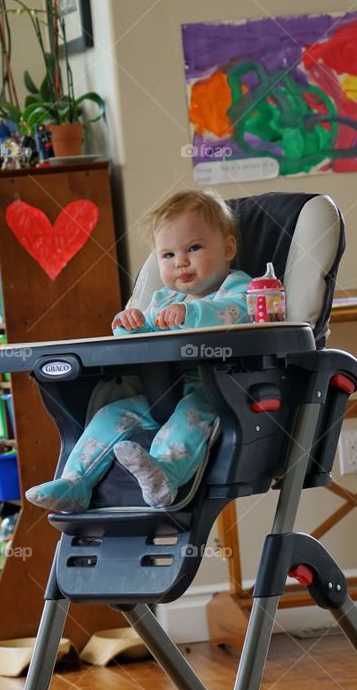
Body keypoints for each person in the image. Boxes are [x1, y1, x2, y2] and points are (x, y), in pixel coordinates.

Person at [26, 189, 252, 511]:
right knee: (109, 414)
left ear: (228, 247)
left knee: (190, 418)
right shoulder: (164, 300)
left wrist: (194, 315)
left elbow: (240, 312)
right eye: (168, 255)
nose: (182, 262)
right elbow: (142, 335)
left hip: (216, 390)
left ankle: (165, 474)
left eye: (194, 248)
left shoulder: (237, 287)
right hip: (158, 391)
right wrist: (129, 324)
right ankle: (76, 482)